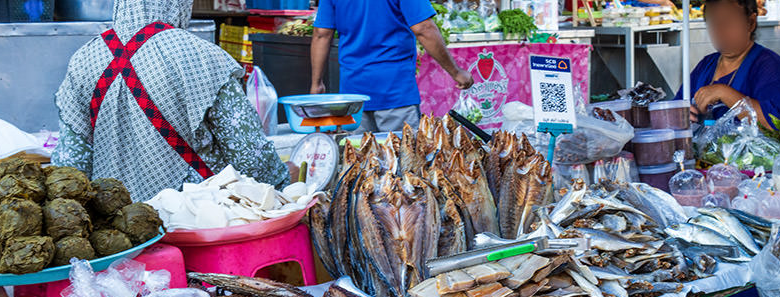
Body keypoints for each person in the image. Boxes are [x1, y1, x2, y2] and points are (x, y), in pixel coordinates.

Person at [52, 0, 289, 202]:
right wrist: (285, 188)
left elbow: (70, 165)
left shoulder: (83, 61)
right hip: (195, 214)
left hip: (118, 229)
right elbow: (250, 155)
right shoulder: (202, 56)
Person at [310, 0, 474, 134]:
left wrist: (316, 83)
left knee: (360, 165)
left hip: (353, 96)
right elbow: (424, 28)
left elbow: (321, 34)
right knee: (402, 166)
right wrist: (456, 72)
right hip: (395, 93)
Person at [681, 0, 780, 130]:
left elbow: (776, 124)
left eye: (728, 22)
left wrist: (724, 93)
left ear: (751, 23)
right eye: (713, 23)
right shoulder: (706, 65)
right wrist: (682, 113)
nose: (719, 30)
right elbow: (676, 105)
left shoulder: (770, 66)